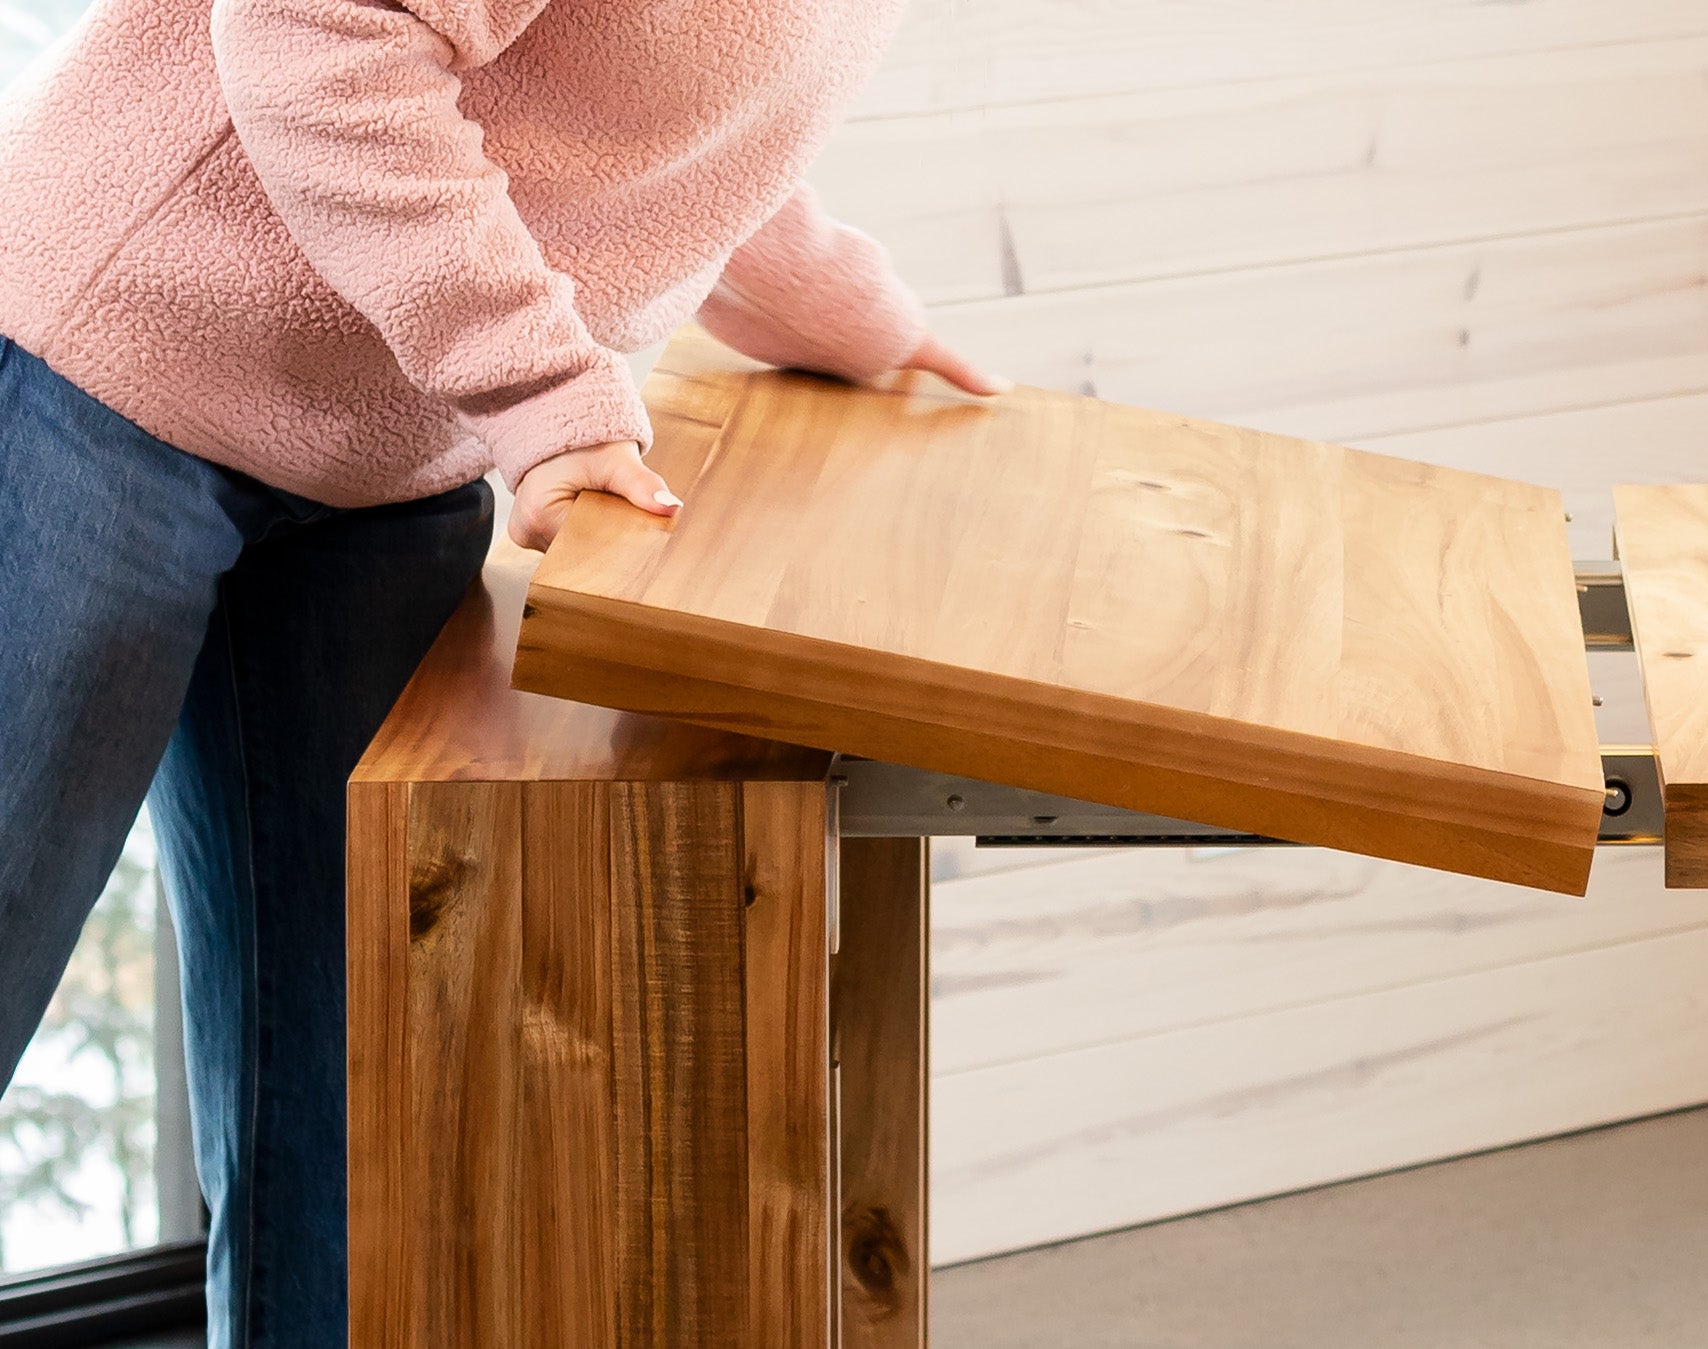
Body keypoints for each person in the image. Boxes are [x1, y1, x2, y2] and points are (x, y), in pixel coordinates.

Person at [0, 0, 995, 1341]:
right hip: (105, 356)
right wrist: (546, 388)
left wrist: (847, 309)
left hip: (377, 449)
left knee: (353, 1084)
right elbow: (315, 33)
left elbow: (646, 120)